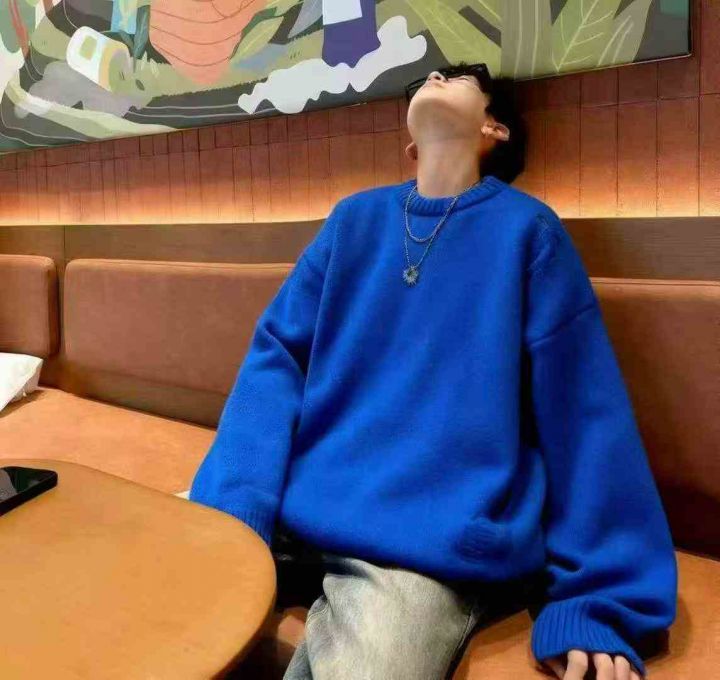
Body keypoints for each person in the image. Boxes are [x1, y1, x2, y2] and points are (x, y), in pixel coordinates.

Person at [189, 61, 678, 680]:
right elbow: (275, 360)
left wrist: (597, 602)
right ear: (410, 144)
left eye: (458, 79)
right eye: (430, 77)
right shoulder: (352, 221)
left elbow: (584, 413)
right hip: (296, 511)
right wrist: (234, 509)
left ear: (495, 128)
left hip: (419, 544)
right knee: (145, 601)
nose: (436, 77)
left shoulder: (528, 232)